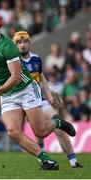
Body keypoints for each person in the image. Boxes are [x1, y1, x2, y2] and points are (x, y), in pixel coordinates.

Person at [0, 12, 76, 170]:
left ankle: (57, 122)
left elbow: (16, 77)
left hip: (25, 88)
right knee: (13, 131)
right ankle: (46, 160)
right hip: (7, 94)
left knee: (40, 131)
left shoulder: (8, 46)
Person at [13, 31, 83, 168]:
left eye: (25, 42)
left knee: (59, 127)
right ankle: (43, 160)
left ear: (29, 43)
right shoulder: (14, 62)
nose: (22, 45)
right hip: (23, 102)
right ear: (15, 45)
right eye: (19, 42)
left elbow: (42, 79)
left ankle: (73, 162)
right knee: (39, 132)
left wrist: (50, 97)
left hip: (40, 99)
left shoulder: (36, 59)